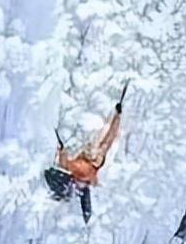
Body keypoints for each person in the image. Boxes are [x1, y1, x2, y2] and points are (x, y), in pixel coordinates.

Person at [45, 82, 127, 223]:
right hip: (79, 181)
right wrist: (117, 115)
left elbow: (111, 136)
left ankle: (73, 202)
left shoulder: (88, 164)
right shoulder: (88, 161)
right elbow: (110, 135)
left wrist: (118, 115)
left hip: (78, 182)